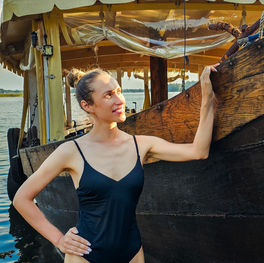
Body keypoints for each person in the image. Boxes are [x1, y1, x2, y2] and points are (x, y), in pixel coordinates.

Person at [13, 63, 219, 263]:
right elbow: (21, 199)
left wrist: (207, 94)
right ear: (87, 106)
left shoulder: (141, 145)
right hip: (84, 256)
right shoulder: (71, 151)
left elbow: (198, 151)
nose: (119, 99)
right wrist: (59, 240)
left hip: (132, 254)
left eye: (118, 91)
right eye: (108, 95)